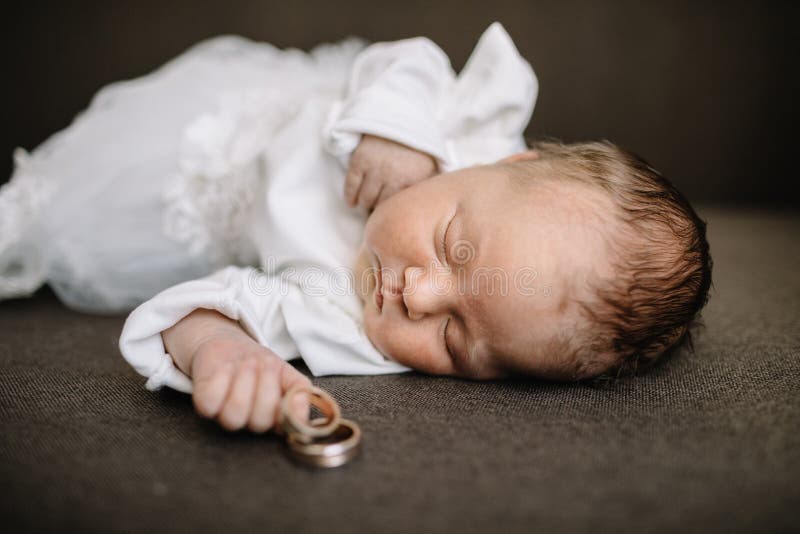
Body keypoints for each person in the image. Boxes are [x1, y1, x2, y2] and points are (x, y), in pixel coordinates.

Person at [0, 23, 712, 435]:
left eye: (457, 340)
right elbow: (412, 58)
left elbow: (215, 302)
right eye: (453, 247)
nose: (419, 296)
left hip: (174, 193)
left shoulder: (349, 321)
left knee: (47, 214)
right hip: (250, 101)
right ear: (507, 161)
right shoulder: (468, 130)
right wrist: (398, 132)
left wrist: (221, 347)